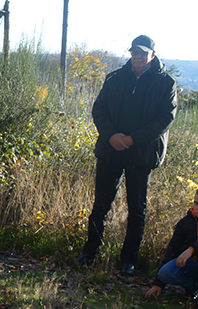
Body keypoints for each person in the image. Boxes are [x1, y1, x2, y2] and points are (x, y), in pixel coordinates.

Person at [71, 34, 177, 276]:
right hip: (111, 150)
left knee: (136, 209)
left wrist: (132, 139)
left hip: (141, 153)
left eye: (142, 52)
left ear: (152, 54)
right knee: (101, 204)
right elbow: (99, 109)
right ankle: (89, 254)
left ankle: (129, 260)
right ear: (130, 54)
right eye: (134, 52)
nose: (138, 56)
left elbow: (165, 118)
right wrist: (112, 136)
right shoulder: (116, 78)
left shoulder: (165, 83)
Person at [145, 183, 198, 309]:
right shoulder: (186, 221)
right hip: (189, 264)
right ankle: (192, 287)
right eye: (196, 203)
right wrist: (159, 283)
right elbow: (172, 249)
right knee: (165, 273)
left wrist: (192, 249)